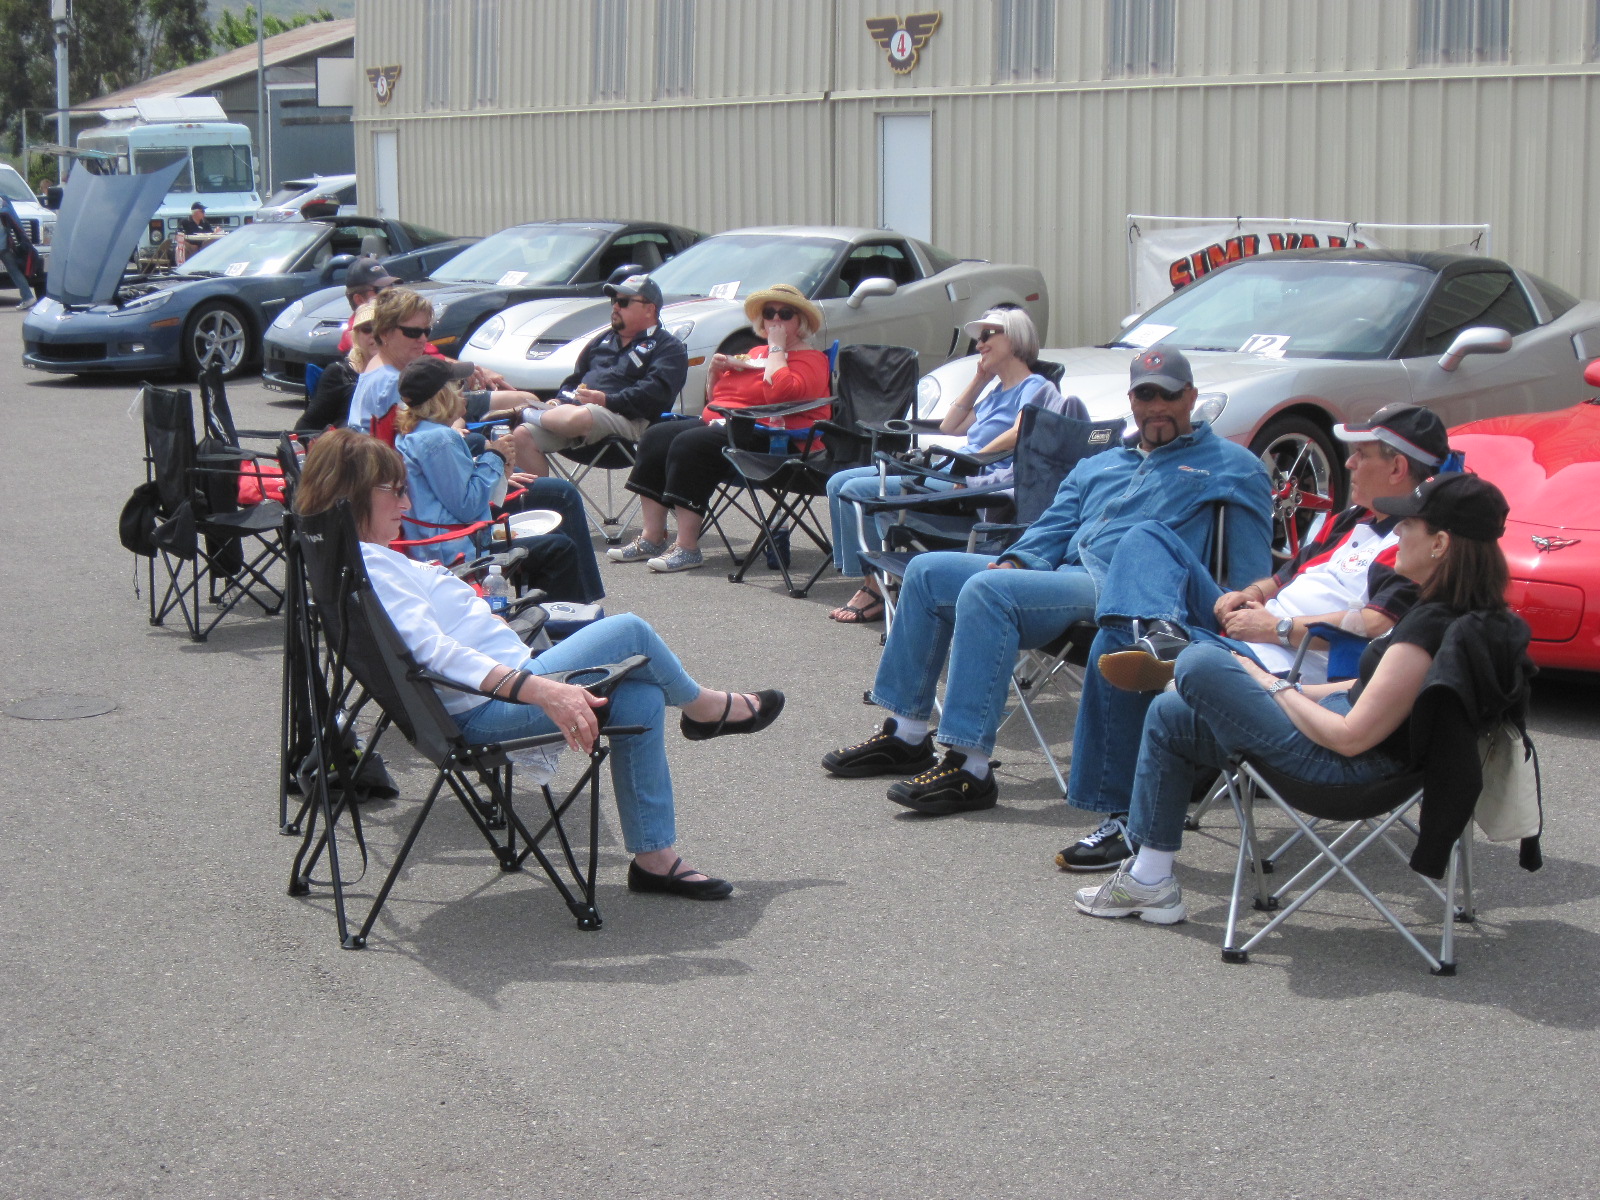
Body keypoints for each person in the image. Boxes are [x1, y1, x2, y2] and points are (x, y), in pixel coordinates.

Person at [296, 429, 787, 899]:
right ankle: (706, 709)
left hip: (485, 695)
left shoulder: (359, 560)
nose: (407, 503)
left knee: (640, 697)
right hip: (485, 711)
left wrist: (474, 614)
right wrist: (543, 690)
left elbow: (423, 641)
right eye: (396, 491)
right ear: (355, 493)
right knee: (629, 630)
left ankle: (654, 861)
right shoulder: (375, 567)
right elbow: (431, 653)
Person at [821, 345, 1273, 816]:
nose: (1157, 406)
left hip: (1127, 590)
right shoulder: (1100, 463)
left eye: (1169, 395)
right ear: (1132, 400)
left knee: (988, 592)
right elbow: (1052, 527)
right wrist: (1017, 561)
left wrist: (1237, 623)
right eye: (1146, 395)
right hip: (1062, 575)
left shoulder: (1232, 466)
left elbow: (1249, 576)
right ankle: (906, 736)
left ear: (1191, 397)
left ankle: (969, 767)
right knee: (926, 571)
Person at [1073, 472, 1531, 926]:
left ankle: (1180, 662)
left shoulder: (1426, 631)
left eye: (1409, 524)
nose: (1399, 534)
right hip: (1350, 746)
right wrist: (1274, 689)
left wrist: (1266, 683)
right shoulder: (1472, 616)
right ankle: (1150, 880)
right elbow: (1360, 691)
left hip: (1342, 773)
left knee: (1200, 662)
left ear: (1440, 544)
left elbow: (1350, 738)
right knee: (1172, 713)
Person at [1055, 402, 1451, 872]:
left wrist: (1276, 628)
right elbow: (1289, 574)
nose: (1348, 464)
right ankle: (1167, 640)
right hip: (1252, 630)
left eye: (1361, 454)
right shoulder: (1352, 520)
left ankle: (1127, 816)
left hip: (1288, 665)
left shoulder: (1411, 545)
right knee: (1148, 536)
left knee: (1115, 645)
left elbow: (1376, 625)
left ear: (1398, 467)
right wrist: (1250, 594)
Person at [825, 306, 1084, 623]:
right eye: (979, 339)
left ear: (1015, 337)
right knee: (838, 483)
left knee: (856, 490)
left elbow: (1022, 432)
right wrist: (979, 378)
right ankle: (871, 577)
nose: (980, 345)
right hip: (953, 468)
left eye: (988, 335)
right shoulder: (995, 392)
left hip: (974, 478)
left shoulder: (1035, 386)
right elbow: (951, 425)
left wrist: (973, 460)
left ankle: (876, 587)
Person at [609, 283, 831, 574]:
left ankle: (687, 547)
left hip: (777, 438)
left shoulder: (812, 360)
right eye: (769, 313)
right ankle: (652, 537)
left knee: (691, 444)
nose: (775, 320)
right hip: (729, 425)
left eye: (785, 314)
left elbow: (781, 394)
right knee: (656, 436)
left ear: (801, 322)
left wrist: (777, 349)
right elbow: (718, 399)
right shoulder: (755, 353)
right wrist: (714, 373)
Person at [393, 357, 601, 603]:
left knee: (553, 534)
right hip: (455, 548)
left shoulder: (418, 433)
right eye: (459, 386)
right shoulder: (440, 440)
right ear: (442, 397)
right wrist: (494, 458)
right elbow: (468, 506)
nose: (465, 393)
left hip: (440, 539)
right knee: (559, 548)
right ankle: (571, 616)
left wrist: (498, 470)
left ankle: (554, 611)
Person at [510, 273, 689, 476]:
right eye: (614, 301)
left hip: (630, 424)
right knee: (522, 436)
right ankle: (544, 496)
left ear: (650, 309)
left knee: (579, 416)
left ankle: (524, 413)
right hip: (575, 422)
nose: (615, 307)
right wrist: (559, 400)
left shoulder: (668, 347)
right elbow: (575, 380)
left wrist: (607, 400)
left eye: (624, 302)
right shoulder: (602, 340)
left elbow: (655, 394)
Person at [300, 300, 378, 432]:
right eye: (367, 329)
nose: (375, 335)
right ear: (356, 335)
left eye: (382, 329)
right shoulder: (339, 373)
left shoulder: (399, 372)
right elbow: (306, 427)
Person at [1, 194, 37, 309]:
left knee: (14, 270)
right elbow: (13, 220)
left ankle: (28, 297)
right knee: (14, 271)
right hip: (4, 243)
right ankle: (28, 297)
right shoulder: (3, 200)